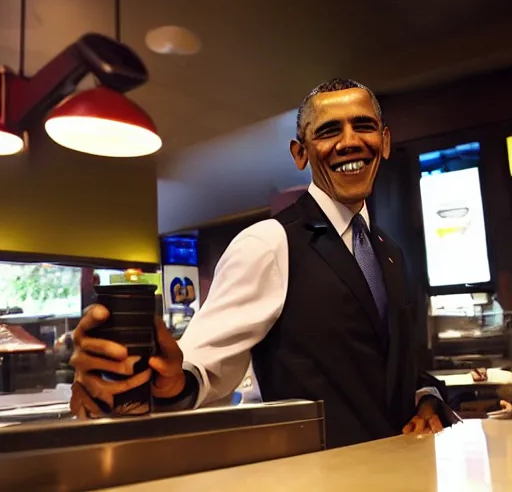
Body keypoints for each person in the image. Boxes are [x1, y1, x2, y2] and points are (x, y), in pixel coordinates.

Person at [70, 79, 449, 448]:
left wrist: (426, 399)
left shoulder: (389, 250)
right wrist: (163, 384)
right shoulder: (268, 242)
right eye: (329, 131)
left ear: (383, 142)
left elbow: (397, 364)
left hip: (402, 470)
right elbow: (203, 365)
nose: (349, 142)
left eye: (362, 126)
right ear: (300, 153)